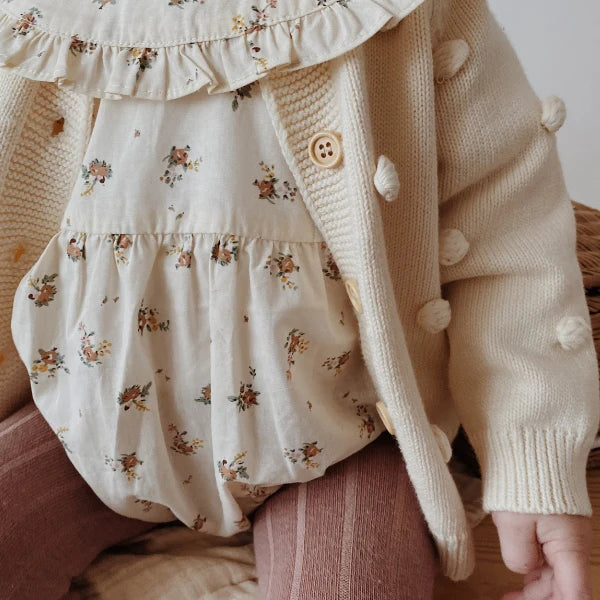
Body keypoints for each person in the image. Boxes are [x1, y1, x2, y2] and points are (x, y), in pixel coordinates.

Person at [0, 0, 597, 598]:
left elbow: (508, 235)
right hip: (82, 420)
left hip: (346, 434)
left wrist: (532, 470)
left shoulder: (411, 15)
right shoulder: (44, 20)